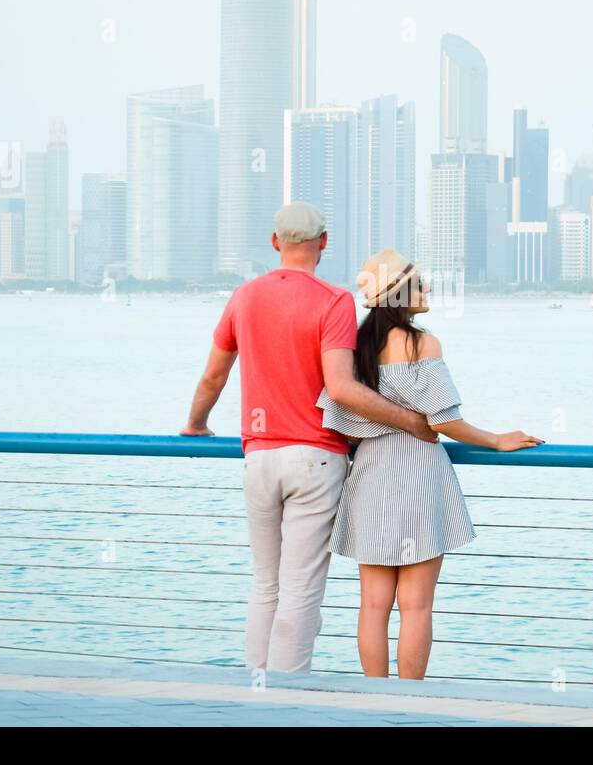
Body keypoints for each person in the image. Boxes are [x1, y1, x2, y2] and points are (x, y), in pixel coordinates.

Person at [179, 204, 438, 674]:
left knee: (265, 587)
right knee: (299, 591)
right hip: (316, 459)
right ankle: (285, 701)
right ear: (323, 242)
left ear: (275, 243)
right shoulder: (333, 301)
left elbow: (213, 377)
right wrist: (411, 421)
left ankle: (256, 690)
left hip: (258, 457)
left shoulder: (243, 297)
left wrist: (196, 424)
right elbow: (341, 388)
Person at [317, 248, 543, 679]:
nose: (429, 289)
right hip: (419, 475)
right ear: (399, 293)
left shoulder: (357, 348)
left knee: (373, 604)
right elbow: (445, 419)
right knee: (416, 605)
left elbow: (341, 418)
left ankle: (375, 700)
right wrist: (497, 439)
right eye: (420, 283)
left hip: (370, 476)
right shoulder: (423, 342)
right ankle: (408, 702)